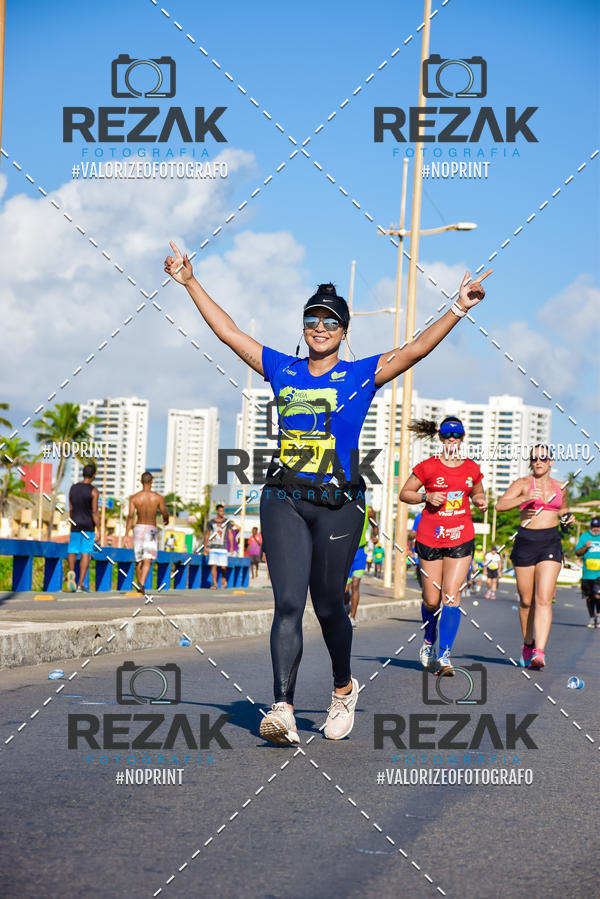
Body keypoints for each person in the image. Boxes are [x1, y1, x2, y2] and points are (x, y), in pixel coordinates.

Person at [165, 239, 491, 744]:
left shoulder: (360, 375)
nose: (320, 328)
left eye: (331, 322)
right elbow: (229, 333)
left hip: (340, 505)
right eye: (312, 320)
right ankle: (283, 708)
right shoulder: (282, 368)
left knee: (330, 604)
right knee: (288, 604)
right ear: (303, 328)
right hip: (284, 499)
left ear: (344, 331)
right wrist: (190, 283)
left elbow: (415, 348)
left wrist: (457, 307)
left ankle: (343, 688)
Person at [399, 416, 487, 675]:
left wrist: (481, 500)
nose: (452, 439)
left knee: (451, 595)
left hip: (460, 536)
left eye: (456, 435)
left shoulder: (471, 468)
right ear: (440, 438)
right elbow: (405, 493)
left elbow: (478, 492)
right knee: (431, 600)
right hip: (429, 538)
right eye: (447, 435)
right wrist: (426, 496)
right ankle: (429, 637)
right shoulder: (427, 467)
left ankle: (445, 656)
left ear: (462, 439)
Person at [495, 446, 573, 669]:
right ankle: (527, 644)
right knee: (526, 600)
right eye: (534, 458)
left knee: (544, 598)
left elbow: (562, 509)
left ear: (551, 461)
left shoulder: (560, 486)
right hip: (525, 541)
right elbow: (499, 505)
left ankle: (539, 652)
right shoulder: (522, 483)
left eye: (543, 458)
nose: (538, 461)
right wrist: (524, 498)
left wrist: (567, 517)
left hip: (550, 542)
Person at [125, 472, 169, 593]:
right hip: (151, 529)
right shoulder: (158, 498)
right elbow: (164, 512)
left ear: (141, 481)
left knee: (139, 560)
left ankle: (140, 584)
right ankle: (141, 583)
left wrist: (126, 533)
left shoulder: (134, 498)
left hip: (138, 528)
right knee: (147, 559)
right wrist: (166, 519)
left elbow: (130, 516)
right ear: (152, 482)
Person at [66, 463, 100, 592]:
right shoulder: (93, 491)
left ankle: (71, 572)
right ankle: (80, 584)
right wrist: (99, 528)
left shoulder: (73, 488)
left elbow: (71, 508)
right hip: (88, 525)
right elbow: (95, 512)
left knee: (72, 550)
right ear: (93, 476)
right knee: (85, 552)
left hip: (75, 523)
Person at [345, 505, 377, 627]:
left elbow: (375, 526)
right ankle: (346, 604)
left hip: (360, 552)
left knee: (355, 584)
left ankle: (352, 618)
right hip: (347, 553)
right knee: (345, 590)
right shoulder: (345, 507)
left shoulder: (368, 510)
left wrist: (376, 536)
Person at [575, 517, 600, 627]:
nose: (596, 529)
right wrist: (585, 547)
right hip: (587, 574)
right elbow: (577, 552)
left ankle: (599, 616)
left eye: (598, 527)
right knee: (589, 597)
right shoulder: (584, 537)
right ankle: (592, 617)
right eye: (594, 527)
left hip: (599, 574)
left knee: (598, 595)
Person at [204, 504, 234, 589]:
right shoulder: (211, 522)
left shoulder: (227, 522)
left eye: (223, 511)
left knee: (223, 566)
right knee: (213, 565)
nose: (222, 512)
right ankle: (215, 584)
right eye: (220, 511)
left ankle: (223, 577)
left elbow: (230, 534)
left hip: (223, 547)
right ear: (217, 511)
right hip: (213, 547)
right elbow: (207, 534)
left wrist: (231, 547)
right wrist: (205, 546)